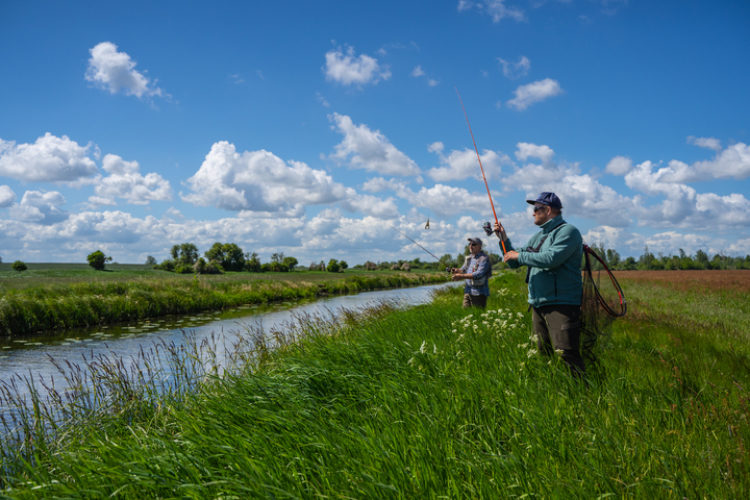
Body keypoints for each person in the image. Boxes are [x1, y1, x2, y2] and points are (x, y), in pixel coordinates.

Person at [494, 192, 585, 375]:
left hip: (561, 304)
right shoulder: (538, 237)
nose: (533, 213)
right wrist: (503, 239)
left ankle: (581, 395)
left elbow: (551, 258)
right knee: (541, 353)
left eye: (536, 209)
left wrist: (519, 255)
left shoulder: (568, 232)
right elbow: (513, 261)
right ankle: (552, 393)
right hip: (538, 304)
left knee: (566, 354)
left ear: (548, 210)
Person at [451, 237, 492, 308]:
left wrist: (461, 276)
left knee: (478, 315)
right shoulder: (469, 258)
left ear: (480, 246)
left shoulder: (484, 259)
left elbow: (478, 274)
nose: (470, 246)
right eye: (469, 244)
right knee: (465, 313)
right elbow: (462, 270)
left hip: (479, 293)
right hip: (468, 291)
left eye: (473, 244)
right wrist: (456, 270)